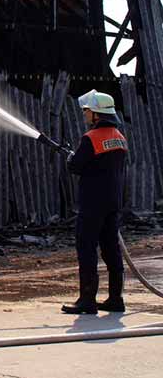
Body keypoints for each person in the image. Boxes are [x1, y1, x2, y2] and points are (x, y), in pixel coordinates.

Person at [62, 89, 128, 315]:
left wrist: (71, 157)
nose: (84, 114)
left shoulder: (91, 138)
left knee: (87, 247)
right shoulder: (118, 137)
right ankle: (115, 299)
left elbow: (75, 167)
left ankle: (87, 300)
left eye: (86, 110)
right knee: (111, 249)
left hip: (92, 204)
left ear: (96, 115)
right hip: (113, 202)